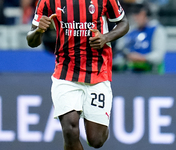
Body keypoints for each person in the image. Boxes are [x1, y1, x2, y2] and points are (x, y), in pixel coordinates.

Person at [27, 0, 129, 149]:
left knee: (96, 140)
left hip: (97, 73)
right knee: (70, 130)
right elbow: (32, 41)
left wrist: (105, 38)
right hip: (65, 72)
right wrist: (38, 31)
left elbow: (124, 23)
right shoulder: (47, 1)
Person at [115, 3, 167, 73]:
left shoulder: (156, 30)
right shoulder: (130, 31)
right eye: (135, 15)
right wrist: (126, 56)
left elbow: (159, 55)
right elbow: (120, 49)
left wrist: (143, 58)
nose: (136, 18)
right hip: (129, 70)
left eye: (140, 15)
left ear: (146, 15)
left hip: (150, 71)